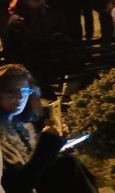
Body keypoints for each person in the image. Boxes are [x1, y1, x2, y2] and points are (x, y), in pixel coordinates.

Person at [0, 64, 97, 193]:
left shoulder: (25, 126)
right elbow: (15, 186)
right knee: (66, 164)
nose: (20, 97)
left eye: (25, 91)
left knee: (67, 161)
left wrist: (56, 145)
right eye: (11, 92)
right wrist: (47, 146)